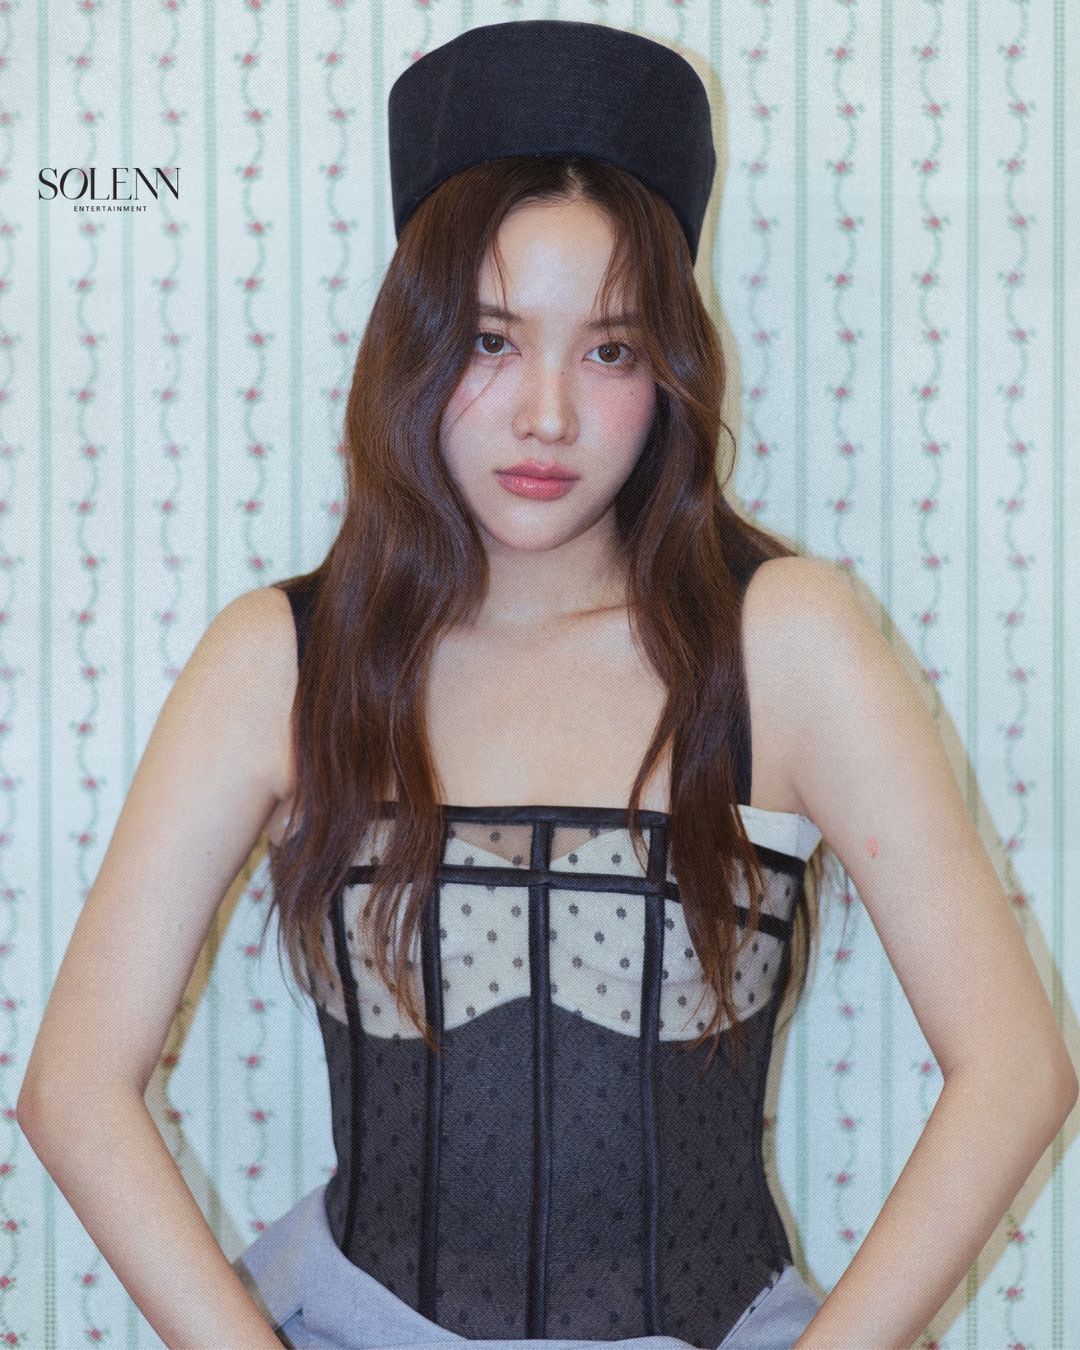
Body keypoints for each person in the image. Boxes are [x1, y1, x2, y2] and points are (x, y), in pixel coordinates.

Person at [18, 18, 1076, 1350]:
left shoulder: (786, 643)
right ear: (412, 345)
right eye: (491, 339)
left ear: (672, 370)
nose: (549, 414)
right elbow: (74, 1088)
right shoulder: (281, 658)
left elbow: (1014, 1068)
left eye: (611, 349)